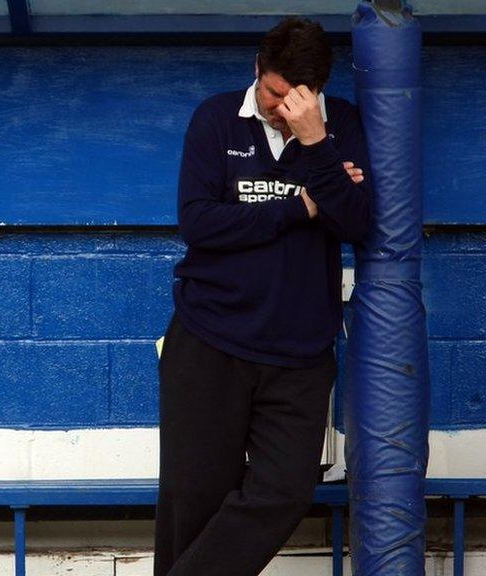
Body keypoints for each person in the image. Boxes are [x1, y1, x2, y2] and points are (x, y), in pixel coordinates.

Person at [154, 17, 372, 576]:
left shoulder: (339, 125)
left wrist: (315, 143)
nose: (283, 107)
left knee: (285, 492)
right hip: (210, 342)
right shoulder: (217, 119)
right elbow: (200, 223)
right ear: (258, 71)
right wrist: (298, 208)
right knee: (193, 502)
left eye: (298, 98)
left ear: (318, 91)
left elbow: (353, 223)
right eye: (276, 93)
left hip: (298, 352)